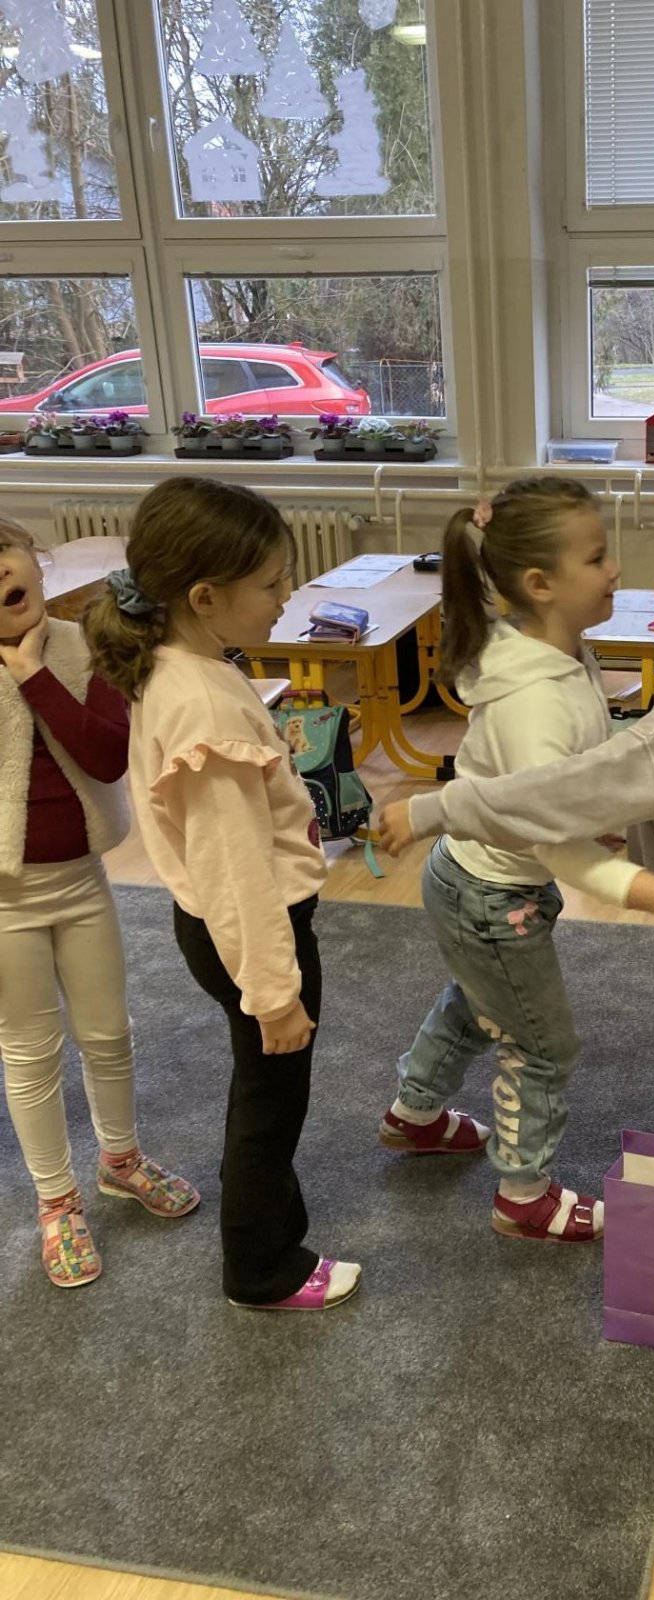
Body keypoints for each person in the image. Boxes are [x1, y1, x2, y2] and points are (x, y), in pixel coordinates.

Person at [379, 499, 654, 1152]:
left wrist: (437, 807)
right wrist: (443, 808)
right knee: (509, 1014)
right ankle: (503, 1175)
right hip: (528, 882)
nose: (652, 586)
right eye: (598, 558)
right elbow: (582, 789)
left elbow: (598, 781)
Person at [84, 478, 359, 1311]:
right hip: (252, 928)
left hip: (227, 924)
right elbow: (235, 870)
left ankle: (273, 1230)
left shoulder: (189, 667)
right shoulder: (201, 703)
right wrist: (274, 993)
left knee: (265, 1091)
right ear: (204, 597)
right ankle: (261, 1268)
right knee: (271, 1102)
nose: (288, 595)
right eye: (273, 582)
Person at [0, 515, 198, 1289]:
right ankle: (56, 1200)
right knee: (30, 1051)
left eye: (5, 554)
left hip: (81, 880)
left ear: (33, 560)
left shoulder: (82, 647)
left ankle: (120, 1159)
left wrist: (33, 676)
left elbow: (107, 753)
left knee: (109, 1033)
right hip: (5, 901)